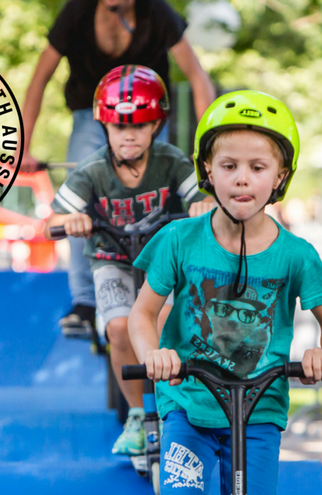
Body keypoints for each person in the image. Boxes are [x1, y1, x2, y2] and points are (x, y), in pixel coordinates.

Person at [127, 91, 322, 495]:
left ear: (280, 177)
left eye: (257, 166)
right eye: (228, 165)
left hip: (258, 410)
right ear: (208, 170)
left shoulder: (296, 255)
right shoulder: (180, 240)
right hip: (189, 401)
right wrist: (153, 355)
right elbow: (142, 313)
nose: (242, 178)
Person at [20, 0, 216, 338]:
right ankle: (85, 303)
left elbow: (198, 78)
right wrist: (22, 147)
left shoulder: (156, 13)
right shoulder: (77, 13)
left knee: (168, 188)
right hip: (92, 114)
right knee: (83, 186)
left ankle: (170, 282)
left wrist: (209, 148)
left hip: (147, 115)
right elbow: (39, 79)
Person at [46, 65, 215, 456]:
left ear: (157, 125)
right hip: (112, 258)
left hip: (160, 260)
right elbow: (51, 221)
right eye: (119, 126)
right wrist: (70, 221)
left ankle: (178, 407)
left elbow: (200, 198)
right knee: (120, 328)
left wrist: (203, 204)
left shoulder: (172, 162)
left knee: (166, 323)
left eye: (139, 126)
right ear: (104, 125)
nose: (128, 135)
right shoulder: (92, 170)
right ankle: (137, 415)